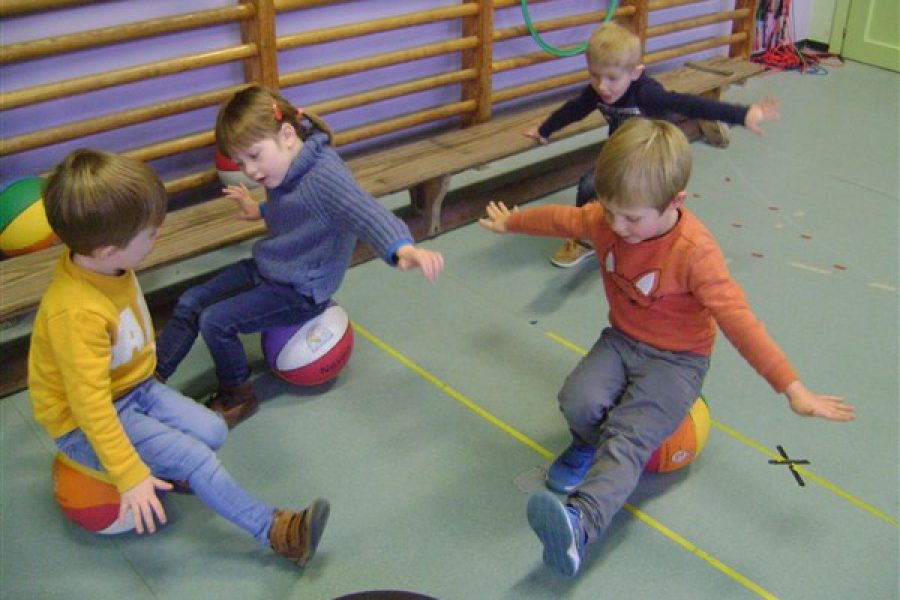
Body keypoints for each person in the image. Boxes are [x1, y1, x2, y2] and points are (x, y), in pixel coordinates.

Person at [480, 118, 855, 577]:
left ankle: (579, 527)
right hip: (621, 340)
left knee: (627, 437)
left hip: (678, 362)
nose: (616, 226)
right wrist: (511, 222)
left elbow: (739, 321)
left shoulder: (694, 252)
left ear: (676, 201)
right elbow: (565, 218)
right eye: (609, 210)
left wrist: (792, 387)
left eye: (632, 218)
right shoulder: (607, 219)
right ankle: (583, 447)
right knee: (577, 398)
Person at [28, 148, 330, 567]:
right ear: (107, 251)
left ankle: (176, 471)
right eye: (148, 237)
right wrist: (130, 474)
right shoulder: (75, 313)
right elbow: (91, 407)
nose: (156, 240)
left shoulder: (105, 263)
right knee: (196, 458)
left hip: (135, 388)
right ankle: (277, 532)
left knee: (213, 431)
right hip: (87, 421)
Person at [155, 86, 444, 428]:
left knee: (216, 322)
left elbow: (364, 212)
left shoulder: (325, 176)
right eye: (241, 162)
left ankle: (238, 396)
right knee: (191, 300)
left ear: (288, 135)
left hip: (300, 290)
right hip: (273, 267)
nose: (249, 170)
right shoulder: (285, 165)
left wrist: (402, 248)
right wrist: (259, 209)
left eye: (254, 156)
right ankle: (151, 379)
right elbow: (295, 209)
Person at [524, 21, 780, 268]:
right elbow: (574, 110)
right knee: (590, 185)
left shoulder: (647, 94)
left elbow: (691, 104)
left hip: (654, 156)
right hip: (623, 151)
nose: (602, 86)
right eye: (594, 76)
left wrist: (743, 115)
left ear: (635, 72)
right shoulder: (598, 91)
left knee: (649, 203)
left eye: (612, 78)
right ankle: (585, 238)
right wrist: (545, 130)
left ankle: (658, 241)